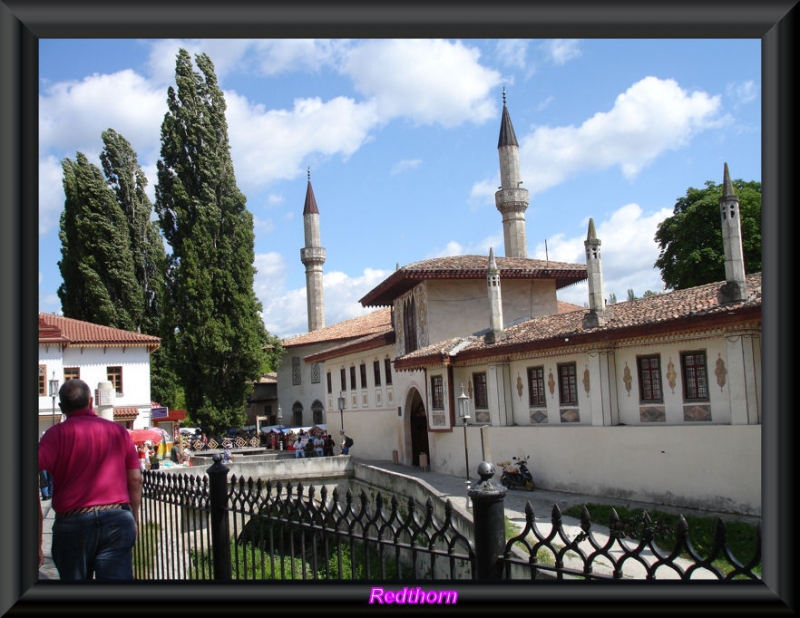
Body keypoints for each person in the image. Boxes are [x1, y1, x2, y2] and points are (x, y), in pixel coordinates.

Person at [38, 378, 142, 580]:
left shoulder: (54, 435)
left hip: (73, 523)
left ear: (61, 407)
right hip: (116, 519)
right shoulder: (118, 432)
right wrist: (134, 517)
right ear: (91, 401)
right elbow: (136, 479)